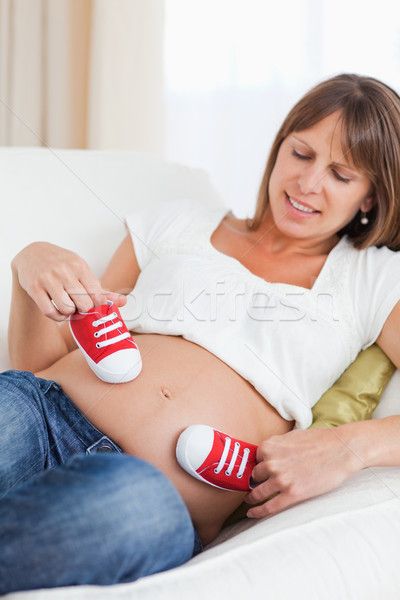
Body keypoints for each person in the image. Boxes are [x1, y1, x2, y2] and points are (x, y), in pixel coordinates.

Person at [2, 72, 400, 594]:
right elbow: (41, 365)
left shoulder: (372, 279)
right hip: (41, 407)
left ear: (370, 198)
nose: (308, 183)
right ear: (279, 149)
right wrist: (28, 267)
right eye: (301, 154)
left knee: (130, 508)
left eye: (341, 175)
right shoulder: (177, 223)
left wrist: (348, 448)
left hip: (154, 493)